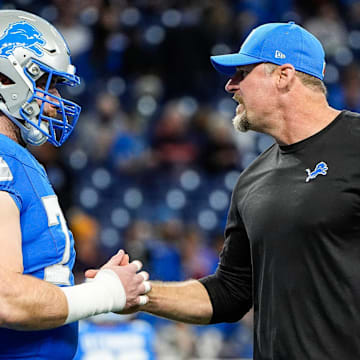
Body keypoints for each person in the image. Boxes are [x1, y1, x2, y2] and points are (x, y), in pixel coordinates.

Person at [107, 21, 360, 359]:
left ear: (283, 76)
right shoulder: (253, 180)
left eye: (242, 72)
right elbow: (230, 292)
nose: (230, 85)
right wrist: (140, 294)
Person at [0, 10, 150, 360]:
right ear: (6, 78)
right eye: (46, 84)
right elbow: (5, 296)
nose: (53, 104)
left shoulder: (13, 159)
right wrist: (106, 294)